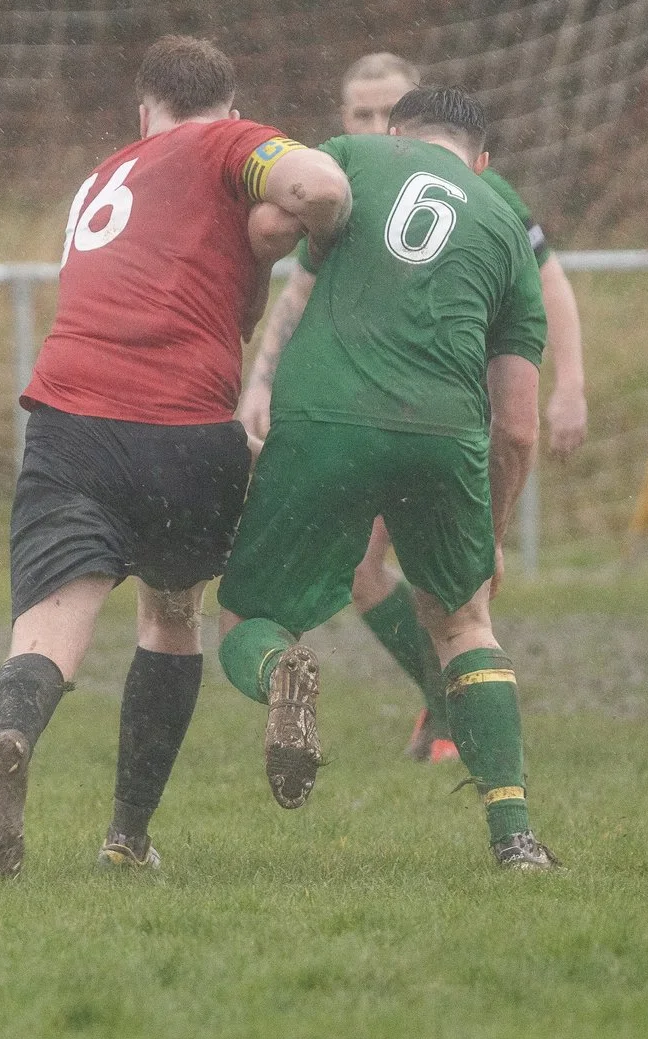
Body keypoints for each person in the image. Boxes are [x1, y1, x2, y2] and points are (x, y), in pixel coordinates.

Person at [0, 35, 351, 877]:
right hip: (185, 427)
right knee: (170, 619)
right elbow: (319, 184)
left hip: (72, 418)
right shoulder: (228, 142)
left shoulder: (106, 175)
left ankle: (12, 736)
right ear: (232, 109)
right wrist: (319, 238)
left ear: (143, 112)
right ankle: (127, 837)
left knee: (51, 625)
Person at [215, 87, 559, 870]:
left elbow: (271, 226)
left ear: (398, 131)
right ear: (481, 159)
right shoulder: (506, 220)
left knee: (247, 619)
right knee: (465, 624)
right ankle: (514, 839)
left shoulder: (351, 153)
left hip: (324, 417)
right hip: (442, 428)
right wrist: (491, 540)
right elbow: (516, 426)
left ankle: (281, 675)